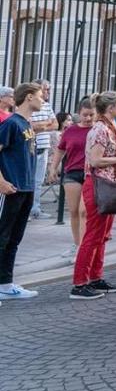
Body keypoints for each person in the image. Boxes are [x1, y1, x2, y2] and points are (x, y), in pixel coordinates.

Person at [72, 91, 116, 300]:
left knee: (103, 234)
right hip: (99, 184)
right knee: (93, 234)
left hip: (108, 184)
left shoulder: (108, 127)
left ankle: (95, 277)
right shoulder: (100, 130)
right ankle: (80, 282)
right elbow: (95, 160)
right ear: (111, 107)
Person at [0, 83, 45, 303]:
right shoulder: (11, 124)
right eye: (39, 96)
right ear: (28, 98)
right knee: (2, 236)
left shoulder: (26, 124)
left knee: (14, 238)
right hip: (11, 187)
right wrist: (1, 181)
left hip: (26, 187)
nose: (43, 100)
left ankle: (6, 284)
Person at [48, 97, 93, 261]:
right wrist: (53, 168)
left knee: (84, 212)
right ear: (79, 114)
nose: (88, 119)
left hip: (91, 174)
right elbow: (60, 150)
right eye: (85, 115)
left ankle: (84, 247)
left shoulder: (97, 129)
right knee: (74, 211)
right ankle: (77, 244)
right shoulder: (70, 131)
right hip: (72, 172)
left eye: (91, 115)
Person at [28, 80, 57, 220]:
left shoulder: (47, 106)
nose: (48, 92)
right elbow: (28, 126)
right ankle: (26, 209)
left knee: (38, 181)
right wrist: (45, 124)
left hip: (44, 146)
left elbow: (55, 124)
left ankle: (35, 208)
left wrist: (40, 126)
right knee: (28, 179)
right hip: (31, 148)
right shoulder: (30, 106)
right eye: (45, 90)